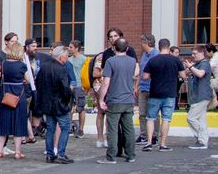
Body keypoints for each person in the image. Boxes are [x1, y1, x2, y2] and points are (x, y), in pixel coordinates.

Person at [97, 37, 138, 165]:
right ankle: (131, 154)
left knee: (112, 129)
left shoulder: (110, 61)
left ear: (114, 48)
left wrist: (101, 99)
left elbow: (106, 83)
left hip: (115, 99)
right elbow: (136, 74)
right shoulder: (132, 61)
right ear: (127, 48)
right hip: (128, 99)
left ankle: (111, 156)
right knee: (129, 128)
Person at [141, 38, 184, 152]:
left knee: (150, 118)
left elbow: (144, 77)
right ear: (169, 47)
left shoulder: (153, 60)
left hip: (155, 93)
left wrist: (153, 75)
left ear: (159, 47)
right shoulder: (175, 60)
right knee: (166, 119)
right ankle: (163, 144)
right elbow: (183, 75)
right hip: (170, 93)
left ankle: (149, 143)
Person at [36, 46, 74, 164]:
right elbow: (65, 89)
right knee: (65, 128)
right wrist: (68, 99)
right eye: (66, 56)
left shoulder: (44, 67)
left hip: (47, 103)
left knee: (50, 129)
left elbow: (38, 85)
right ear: (62, 57)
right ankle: (61, 153)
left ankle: (50, 154)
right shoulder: (62, 69)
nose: (67, 58)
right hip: (59, 104)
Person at [0, 41, 28, 160]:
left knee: (3, 123)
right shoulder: (22, 65)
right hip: (18, 97)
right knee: (18, 123)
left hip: (6, 96)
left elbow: (1, 75)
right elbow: (28, 79)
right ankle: (17, 152)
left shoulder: (4, 63)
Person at [185, 44, 213, 150]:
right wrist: (189, 68)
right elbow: (186, 73)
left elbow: (201, 74)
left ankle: (202, 138)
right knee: (201, 120)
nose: (193, 55)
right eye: (192, 53)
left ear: (202, 53)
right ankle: (202, 142)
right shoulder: (198, 63)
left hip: (202, 95)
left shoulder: (205, 63)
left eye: (195, 53)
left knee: (191, 118)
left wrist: (191, 67)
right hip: (198, 95)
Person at [136, 34, 157, 145]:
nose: (141, 44)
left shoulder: (156, 55)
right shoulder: (144, 55)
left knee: (153, 113)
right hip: (143, 87)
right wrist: (136, 86)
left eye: (142, 42)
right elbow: (141, 72)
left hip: (152, 87)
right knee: (142, 112)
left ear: (147, 43)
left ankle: (154, 135)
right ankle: (143, 134)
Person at [67, 40, 87, 139]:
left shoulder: (84, 59)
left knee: (81, 108)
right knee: (69, 107)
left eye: (71, 47)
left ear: (76, 48)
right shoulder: (69, 60)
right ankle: (70, 127)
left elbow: (86, 73)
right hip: (71, 85)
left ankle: (81, 130)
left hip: (80, 86)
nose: (69, 49)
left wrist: (86, 86)